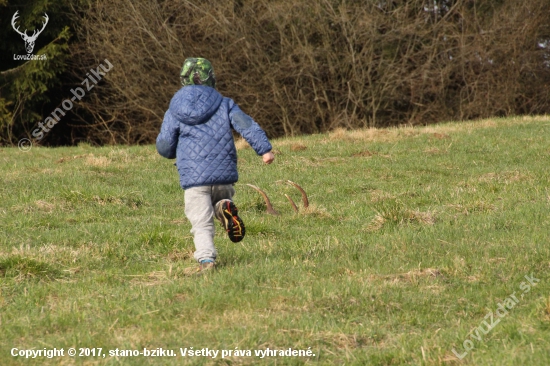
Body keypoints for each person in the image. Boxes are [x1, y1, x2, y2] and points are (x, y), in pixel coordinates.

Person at [156, 57, 274, 274]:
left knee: (201, 222)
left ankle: (206, 260)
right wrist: (264, 150)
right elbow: (247, 125)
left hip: (194, 179)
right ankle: (224, 206)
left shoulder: (175, 110)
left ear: (183, 80)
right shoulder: (224, 103)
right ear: (212, 79)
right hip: (223, 176)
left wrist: (175, 150)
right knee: (219, 200)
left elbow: (164, 147)